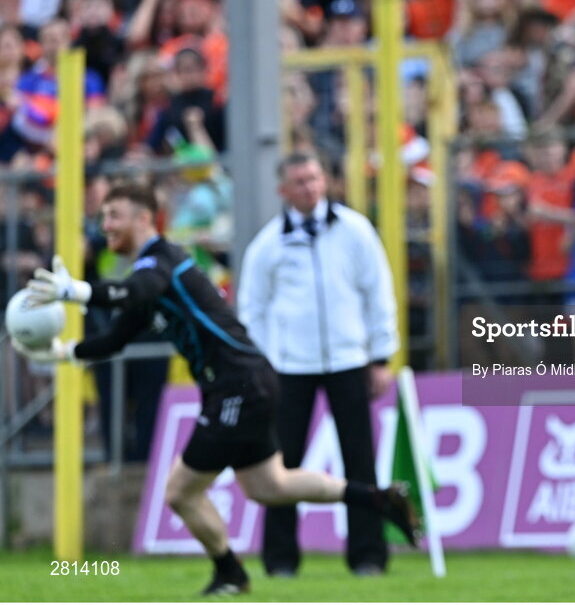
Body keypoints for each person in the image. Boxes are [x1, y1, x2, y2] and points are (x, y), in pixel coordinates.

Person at [12, 184, 419, 596]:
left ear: (144, 218)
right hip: (243, 382)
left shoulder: (162, 262)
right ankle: (378, 499)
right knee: (270, 486)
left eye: (114, 215)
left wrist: (73, 291)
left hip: (237, 385)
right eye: (103, 218)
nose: (106, 226)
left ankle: (230, 572)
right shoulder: (149, 273)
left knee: (179, 492)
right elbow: (117, 338)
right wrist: (59, 354)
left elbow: (135, 293)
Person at [237, 152, 399, 577]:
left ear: (325, 180)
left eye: (314, 178)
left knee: (360, 461)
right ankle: (280, 561)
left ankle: (368, 556)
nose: (309, 187)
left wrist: (380, 356)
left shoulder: (355, 231)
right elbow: (252, 309)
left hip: (349, 360)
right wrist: (263, 364)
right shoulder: (268, 244)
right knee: (281, 467)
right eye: (300, 181)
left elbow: (377, 292)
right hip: (289, 369)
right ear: (283, 191)